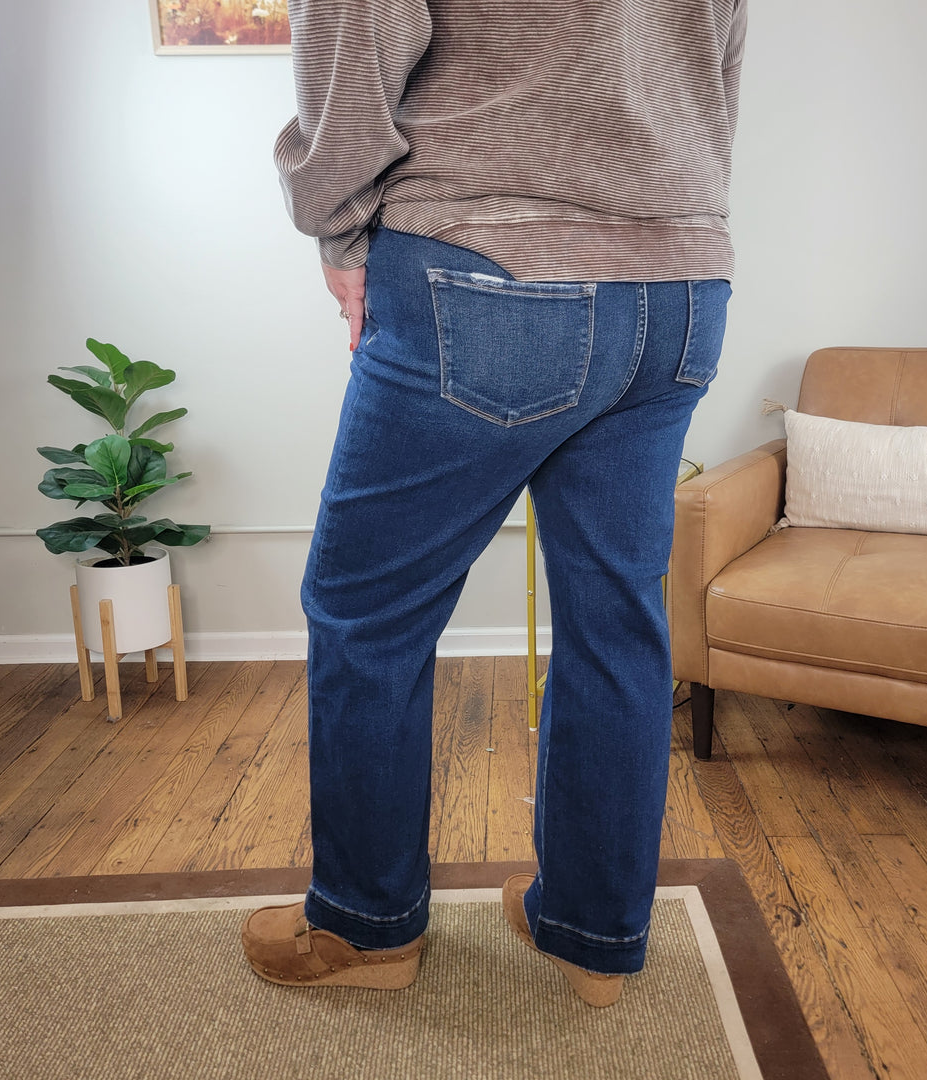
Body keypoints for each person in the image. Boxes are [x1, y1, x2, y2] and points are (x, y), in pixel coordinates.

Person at [241, 0, 748, 1007]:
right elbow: (715, 63)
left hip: (488, 268)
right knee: (618, 622)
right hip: (681, 284)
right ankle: (595, 935)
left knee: (366, 616)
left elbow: (352, 41)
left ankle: (364, 927)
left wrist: (338, 230)